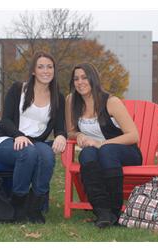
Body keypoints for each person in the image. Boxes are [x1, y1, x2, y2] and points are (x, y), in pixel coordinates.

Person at [0, 51, 67, 224]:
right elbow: (6, 121)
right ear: (33, 71)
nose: (46, 70)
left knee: (47, 155)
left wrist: (61, 136)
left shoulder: (58, 98)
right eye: (41, 67)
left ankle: (35, 206)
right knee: (29, 153)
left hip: (35, 143)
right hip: (6, 140)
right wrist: (18, 135)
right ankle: (18, 204)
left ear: (54, 70)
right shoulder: (19, 89)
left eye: (49, 67)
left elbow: (60, 127)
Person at [65, 63, 143, 229]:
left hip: (125, 152)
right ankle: (102, 212)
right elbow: (70, 131)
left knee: (106, 151)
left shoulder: (111, 102)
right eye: (76, 78)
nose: (80, 82)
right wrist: (79, 134)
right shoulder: (71, 100)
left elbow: (133, 135)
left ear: (93, 79)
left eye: (84, 77)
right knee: (86, 155)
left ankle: (115, 211)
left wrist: (101, 143)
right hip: (96, 152)